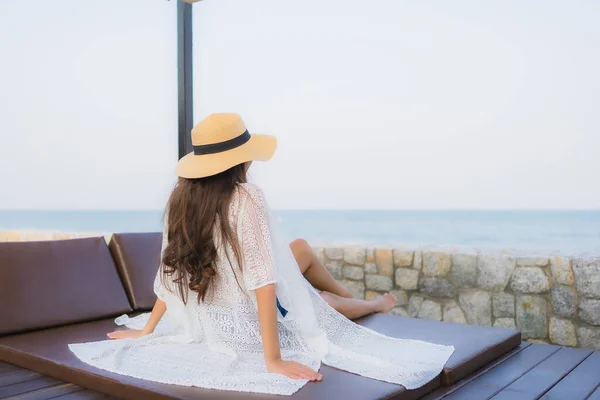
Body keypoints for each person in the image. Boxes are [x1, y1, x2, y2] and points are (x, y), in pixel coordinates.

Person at [69, 113, 454, 396]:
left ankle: (362, 303)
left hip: (213, 313)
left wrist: (147, 329)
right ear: (240, 158)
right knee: (318, 303)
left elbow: (172, 275)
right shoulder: (246, 197)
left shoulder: (179, 199)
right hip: (249, 315)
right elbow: (261, 278)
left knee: (300, 252)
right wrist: (273, 359)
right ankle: (371, 305)